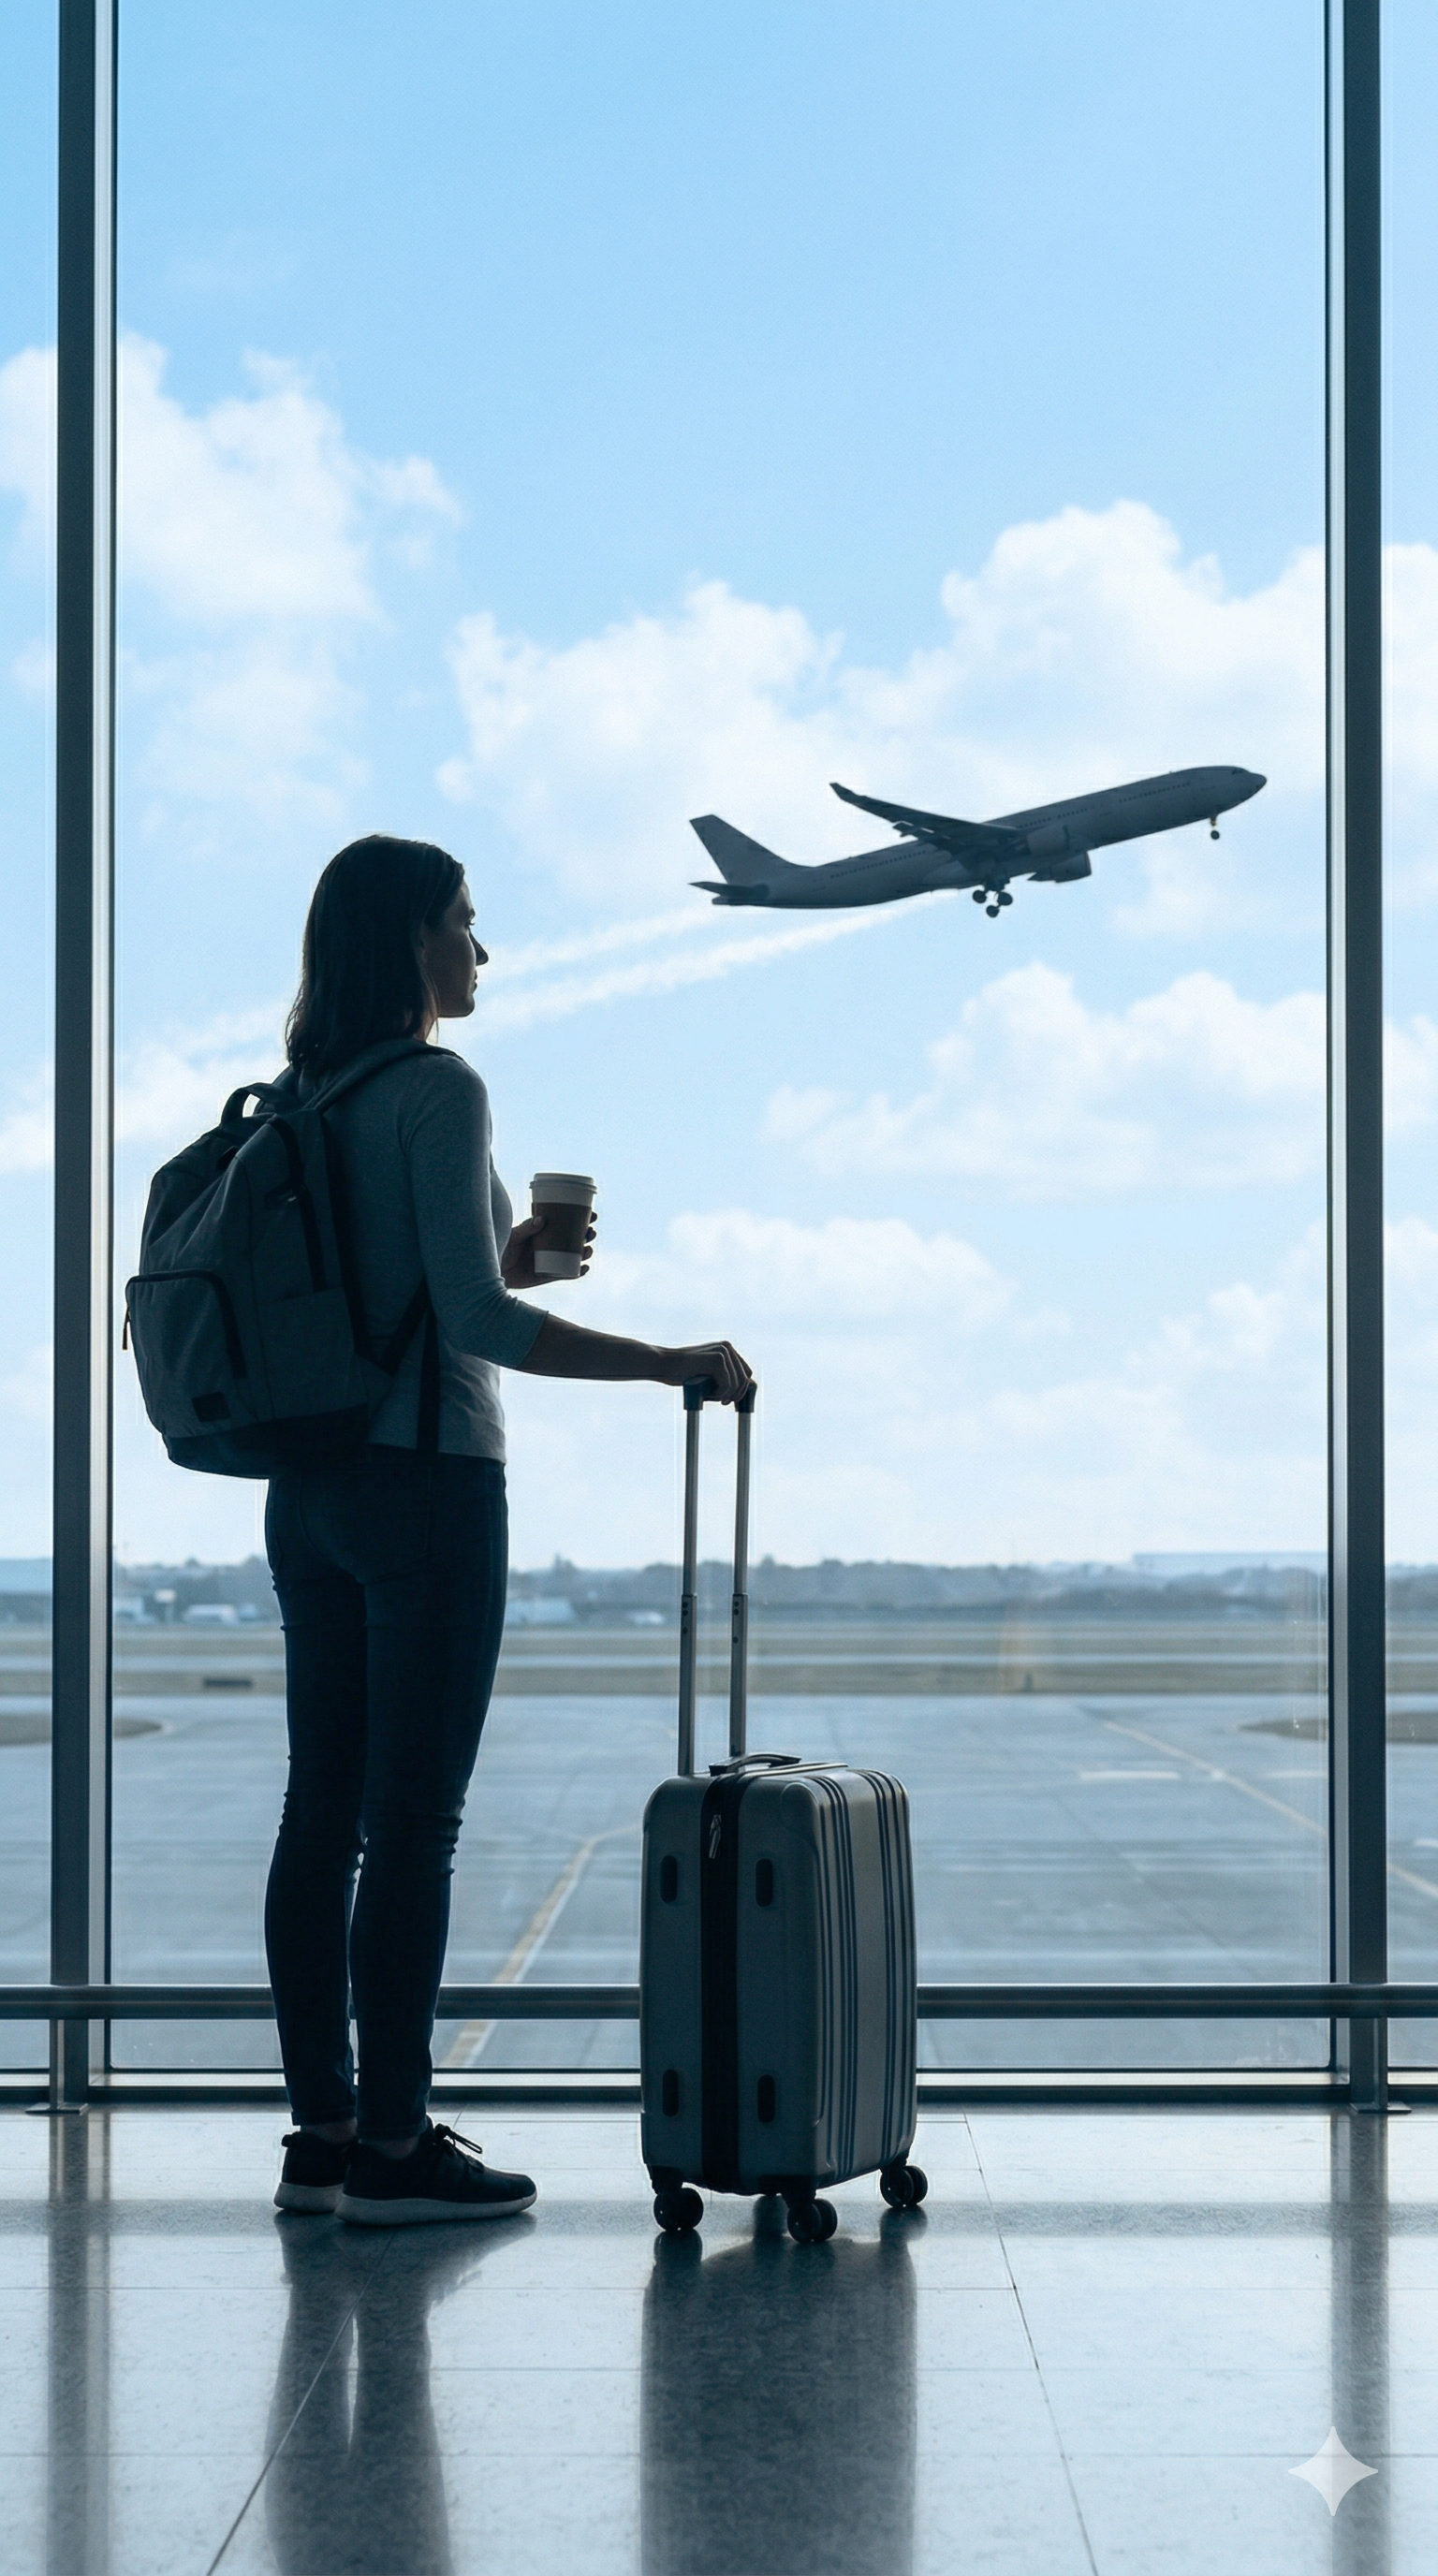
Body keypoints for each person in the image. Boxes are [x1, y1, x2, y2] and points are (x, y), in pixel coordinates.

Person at [267, 834, 754, 2227]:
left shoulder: (316, 1094)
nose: (482, 953)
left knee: (322, 1815)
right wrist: (669, 1359)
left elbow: (422, 1288)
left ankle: (328, 2133)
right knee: (412, 1828)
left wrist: (524, 1254)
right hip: (426, 1483)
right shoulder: (439, 1087)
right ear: (413, 940)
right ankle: (401, 2149)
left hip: (308, 1490)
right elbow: (475, 1327)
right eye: (466, 924)